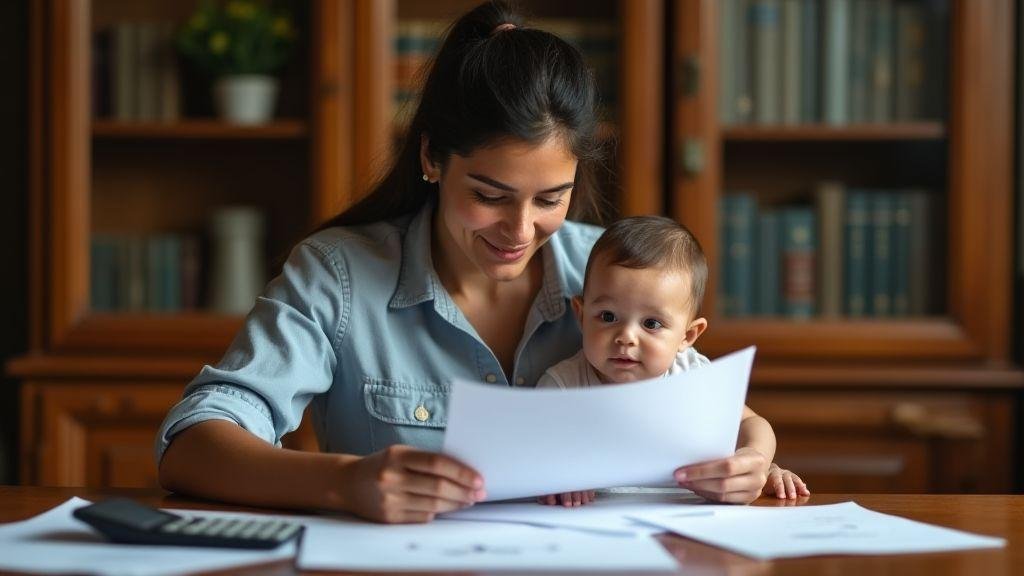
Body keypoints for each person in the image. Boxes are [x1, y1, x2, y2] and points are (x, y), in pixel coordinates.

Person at [155, 1, 782, 525]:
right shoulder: (337, 274)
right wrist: (344, 483)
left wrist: (750, 459)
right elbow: (193, 444)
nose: (519, 230)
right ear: (431, 158)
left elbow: (719, 413)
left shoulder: (620, 277)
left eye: (551, 199)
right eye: (489, 196)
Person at [536, 216, 810, 506]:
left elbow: (752, 422)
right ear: (580, 315)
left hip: (685, 521)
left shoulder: (692, 375)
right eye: (607, 317)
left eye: (651, 324)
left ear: (688, 336)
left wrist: (757, 463)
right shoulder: (562, 387)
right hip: (591, 528)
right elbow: (528, 454)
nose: (626, 337)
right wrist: (555, 474)